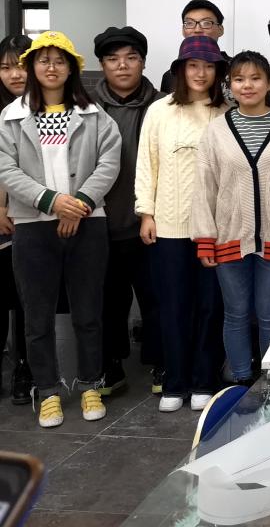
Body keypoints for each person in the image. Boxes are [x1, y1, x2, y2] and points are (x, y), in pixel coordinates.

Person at [0, 31, 121, 428]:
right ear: (32, 67)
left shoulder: (95, 114)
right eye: (43, 60)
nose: (51, 67)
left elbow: (109, 162)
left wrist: (80, 203)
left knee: (88, 312)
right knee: (36, 317)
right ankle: (48, 390)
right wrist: (51, 201)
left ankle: (90, 384)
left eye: (59, 60)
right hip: (33, 226)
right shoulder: (12, 116)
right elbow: (5, 168)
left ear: (71, 68)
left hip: (88, 223)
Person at [193, 51, 270, 385]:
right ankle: (240, 381)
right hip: (229, 237)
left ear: (268, 83)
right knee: (235, 314)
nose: (247, 85)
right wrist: (205, 237)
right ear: (230, 85)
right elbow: (204, 187)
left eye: (255, 78)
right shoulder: (216, 131)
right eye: (239, 79)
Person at [136, 36, 229, 412]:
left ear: (218, 71)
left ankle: (204, 379)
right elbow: (147, 162)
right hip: (169, 225)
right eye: (193, 65)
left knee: (210, 305)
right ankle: (175, 383)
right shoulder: (160, 110)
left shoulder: (226, 112)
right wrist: (146, 212)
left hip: (215, 227)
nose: (200, 73)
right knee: (172, 305)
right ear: (180, 70)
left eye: (208, 66)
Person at [92, 26, 165, 397]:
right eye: (113, 59)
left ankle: (160, 361)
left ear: (143, 62)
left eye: (131, 58)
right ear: (102, 64)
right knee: (108, 299)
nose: (122, 66)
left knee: (157, 295)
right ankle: (111, 365)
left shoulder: (164, 105)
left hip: (153, 220)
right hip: (101, 219)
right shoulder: (86, 108)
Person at [0, 34, 33, 404]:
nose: (15, 74)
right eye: (6, 67)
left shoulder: (47, 108)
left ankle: (26, 366)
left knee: (28, 299)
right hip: (3, 218)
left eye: (22, 65)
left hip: (30, 217)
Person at [159, 0, 231, 93]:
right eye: (190, 23)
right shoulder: (171, 75)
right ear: (183, 30)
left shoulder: (236, 69)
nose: (197, 30)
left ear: (221, 30)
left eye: (206, 23)